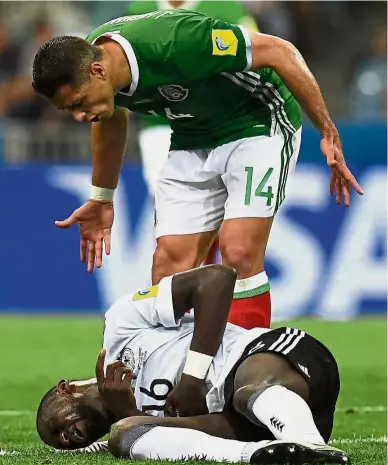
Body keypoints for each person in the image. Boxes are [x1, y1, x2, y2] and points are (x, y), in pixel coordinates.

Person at [32, 10, 363, 331]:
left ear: (99, 72)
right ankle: (176, 378)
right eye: (69, 109)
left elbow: (279, 50)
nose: (78, 116)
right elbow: (110, 118)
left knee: (239, 251)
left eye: (78, 103)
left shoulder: (177, 42)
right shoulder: (92, 64)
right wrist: (102, 198)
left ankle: (246, 373)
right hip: (192, 135)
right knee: (168, 267)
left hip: (256, 120)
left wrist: (327, 131)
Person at [36, 265, 349, 465]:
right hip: (259, 426)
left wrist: (193, 378)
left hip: (280, 361)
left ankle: (307, 441)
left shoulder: (121, 327)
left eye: (55, 428)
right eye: (61, 444)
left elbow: (217, 279)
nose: (64, 439)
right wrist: (131, 414)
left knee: (244, 391)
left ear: (66, 389)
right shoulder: (127, 424)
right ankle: (263, 455)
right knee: (126, 437)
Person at [126, 1, 259, 267]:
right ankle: (187, 283)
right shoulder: (139, 8)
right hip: (161, 126)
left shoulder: (225, 8)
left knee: (226, 207)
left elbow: (255, 51)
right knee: (171, 206)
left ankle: (211, 281)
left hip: (219, 122)